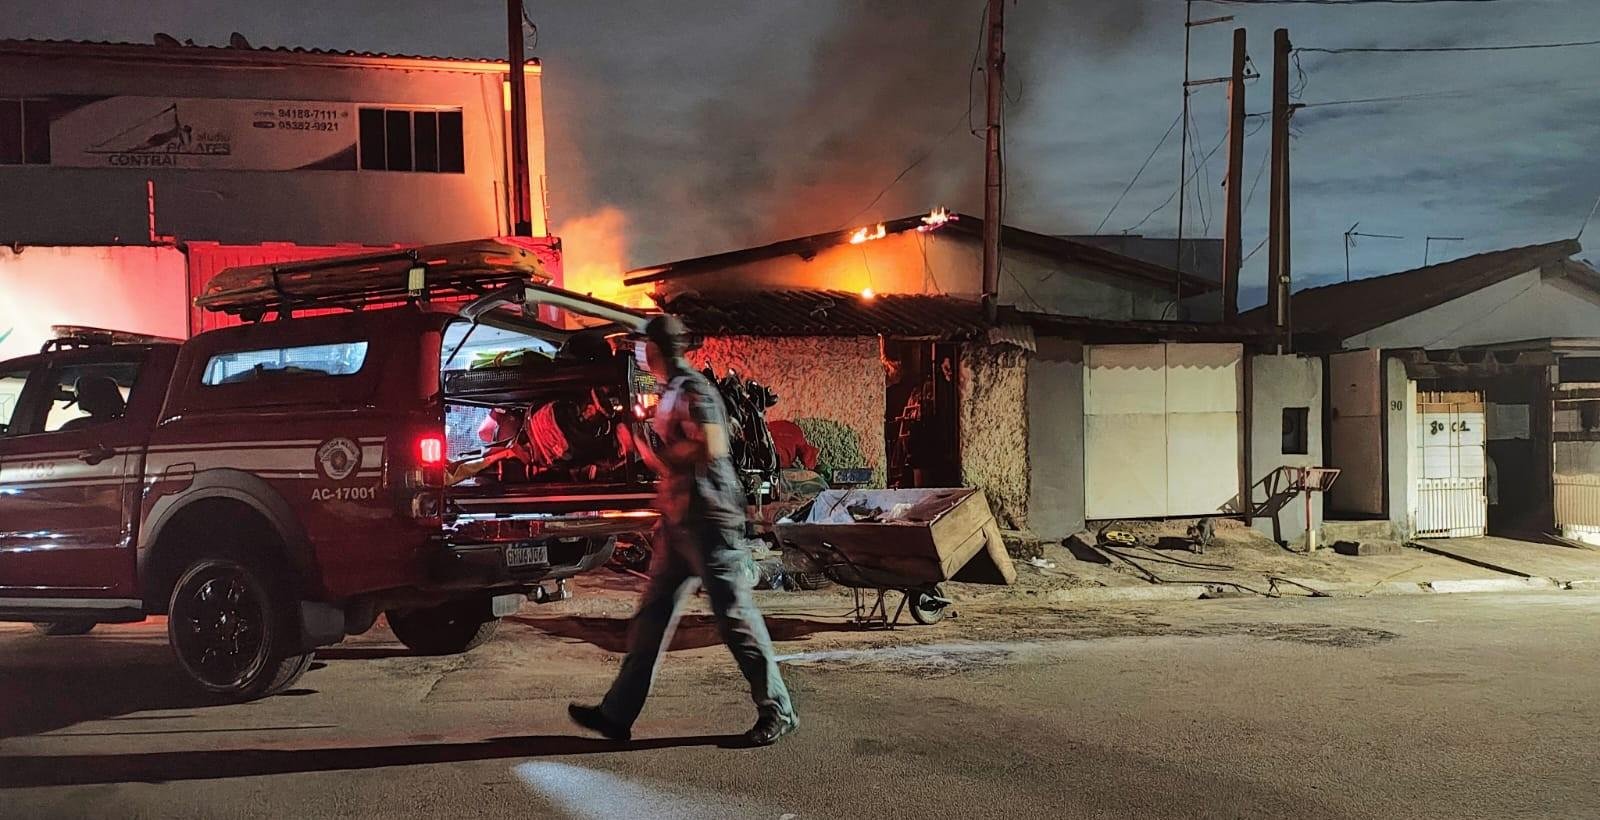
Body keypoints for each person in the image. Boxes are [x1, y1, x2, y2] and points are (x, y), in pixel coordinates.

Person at [568, 315, 798, 747]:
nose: (639, 353)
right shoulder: (671, 390)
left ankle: (779, 710)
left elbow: (712, 445)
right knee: (651, 619)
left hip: (710, 521)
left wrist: (659, 451)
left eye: (642, 346)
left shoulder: (694, 389)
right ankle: (616, 715)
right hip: (680, 524)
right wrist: (638, 443)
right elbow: (672, 459)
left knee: (734, 618)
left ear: (655, 349)